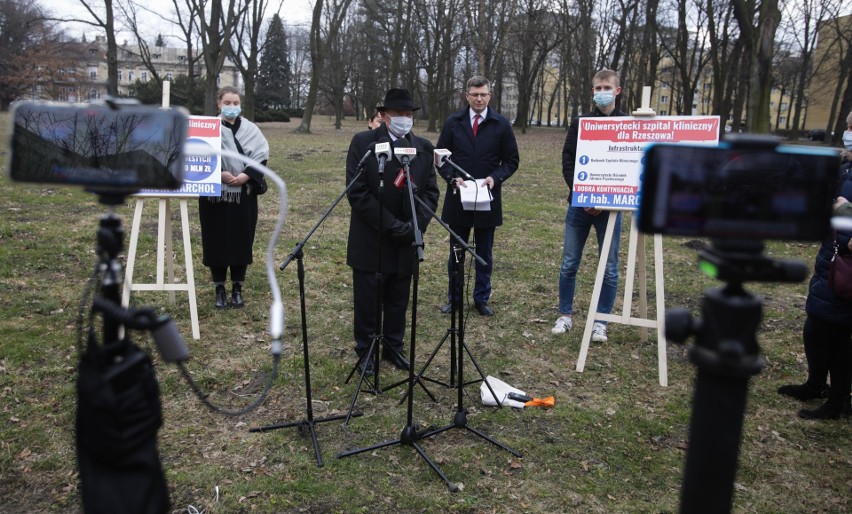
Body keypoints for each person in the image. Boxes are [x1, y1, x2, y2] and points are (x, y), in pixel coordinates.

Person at [345, 88, 440, 375]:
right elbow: (358, 192)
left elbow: (431, 193)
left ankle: (393, 347)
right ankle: (367, 350)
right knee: (369, 299)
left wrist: (415, 225)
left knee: (399, 297)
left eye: (409, 115)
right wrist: (392, 225)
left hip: (407, 240)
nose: (404, 119)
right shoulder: (364, 142)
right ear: (384, 116)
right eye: (399, 114)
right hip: (371, 238)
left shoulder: (422, 148)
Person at [777, 111, 852, 420]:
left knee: (839, 337)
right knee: (816, 329)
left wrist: (845, 214)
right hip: (829, 263)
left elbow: (845, 215)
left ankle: (838, 402)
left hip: (847, 269)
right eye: (848, 126)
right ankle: (816, 384)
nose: (848, 132)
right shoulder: (846, 167)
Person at [551, 69, 625, 342]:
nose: (601, 92)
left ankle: (601, 322)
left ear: (617, 90)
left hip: (612, 210)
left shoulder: (627, 124)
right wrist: (582, 194)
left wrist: (604, 201)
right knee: (569, 263)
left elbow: (627, 167)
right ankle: (565, 315)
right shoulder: (580, 123)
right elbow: (568, 160)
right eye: (597, 88)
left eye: (606, 87)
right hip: (579, 206)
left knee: (609, 267)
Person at [437, 76, 519, 316]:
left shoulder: (501, 125)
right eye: (475, 94)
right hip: (458, 198)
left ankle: (481, 299)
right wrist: (453, 178)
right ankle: (455, 298)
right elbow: (441, 158)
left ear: (490, 96)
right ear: (467, 96)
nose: (479, 98)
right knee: (457, 252)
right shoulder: (453, 123)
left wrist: (495, 177)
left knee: (484, 253)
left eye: (483, 94)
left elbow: (512, 160)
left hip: (488, 198)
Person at [198, 86, 269, 309]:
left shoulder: (251, 130)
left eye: (235, 103)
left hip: (243, 196)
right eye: (227, 103)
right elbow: (198, 154)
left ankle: (237, 287)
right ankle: (219, 288)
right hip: (214, 196)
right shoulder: (208, 129)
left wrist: (246, 175)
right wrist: (219, 174)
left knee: (241, 240)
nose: (231, 107)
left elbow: (261, 155)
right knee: (215, 241)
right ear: (219, 104)